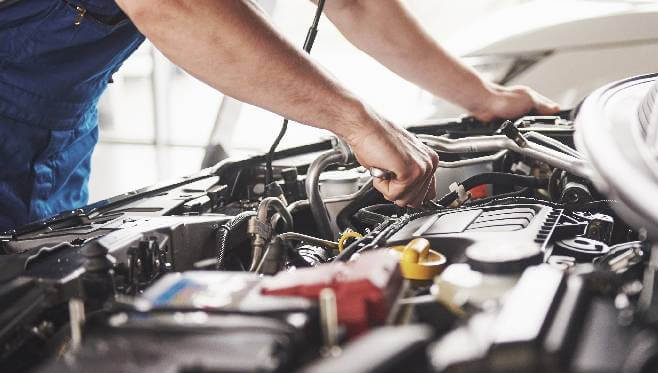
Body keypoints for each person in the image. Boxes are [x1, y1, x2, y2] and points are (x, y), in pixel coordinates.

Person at [0, 0, 559, 231]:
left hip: (53, 131)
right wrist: (357, 122)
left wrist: (483, 98)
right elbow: (174, 6)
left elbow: (351, 2)